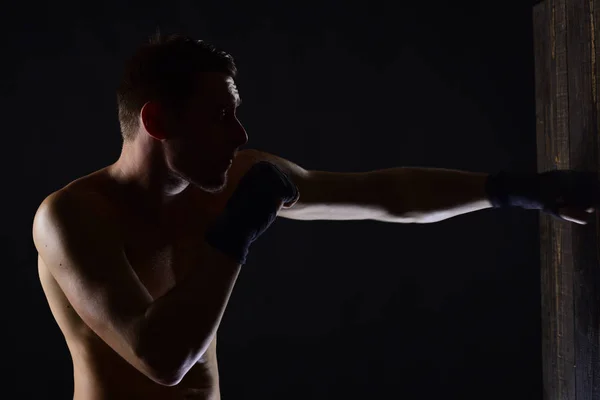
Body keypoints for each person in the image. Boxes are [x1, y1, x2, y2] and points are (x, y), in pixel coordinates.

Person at [32, 33, 599, 400]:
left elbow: (388, 195)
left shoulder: (232, 181)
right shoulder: (72, 219)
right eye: (219, 116)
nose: (240, 135)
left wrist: (523, 192)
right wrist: (238, 228)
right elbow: (162, 358)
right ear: (156, 121)